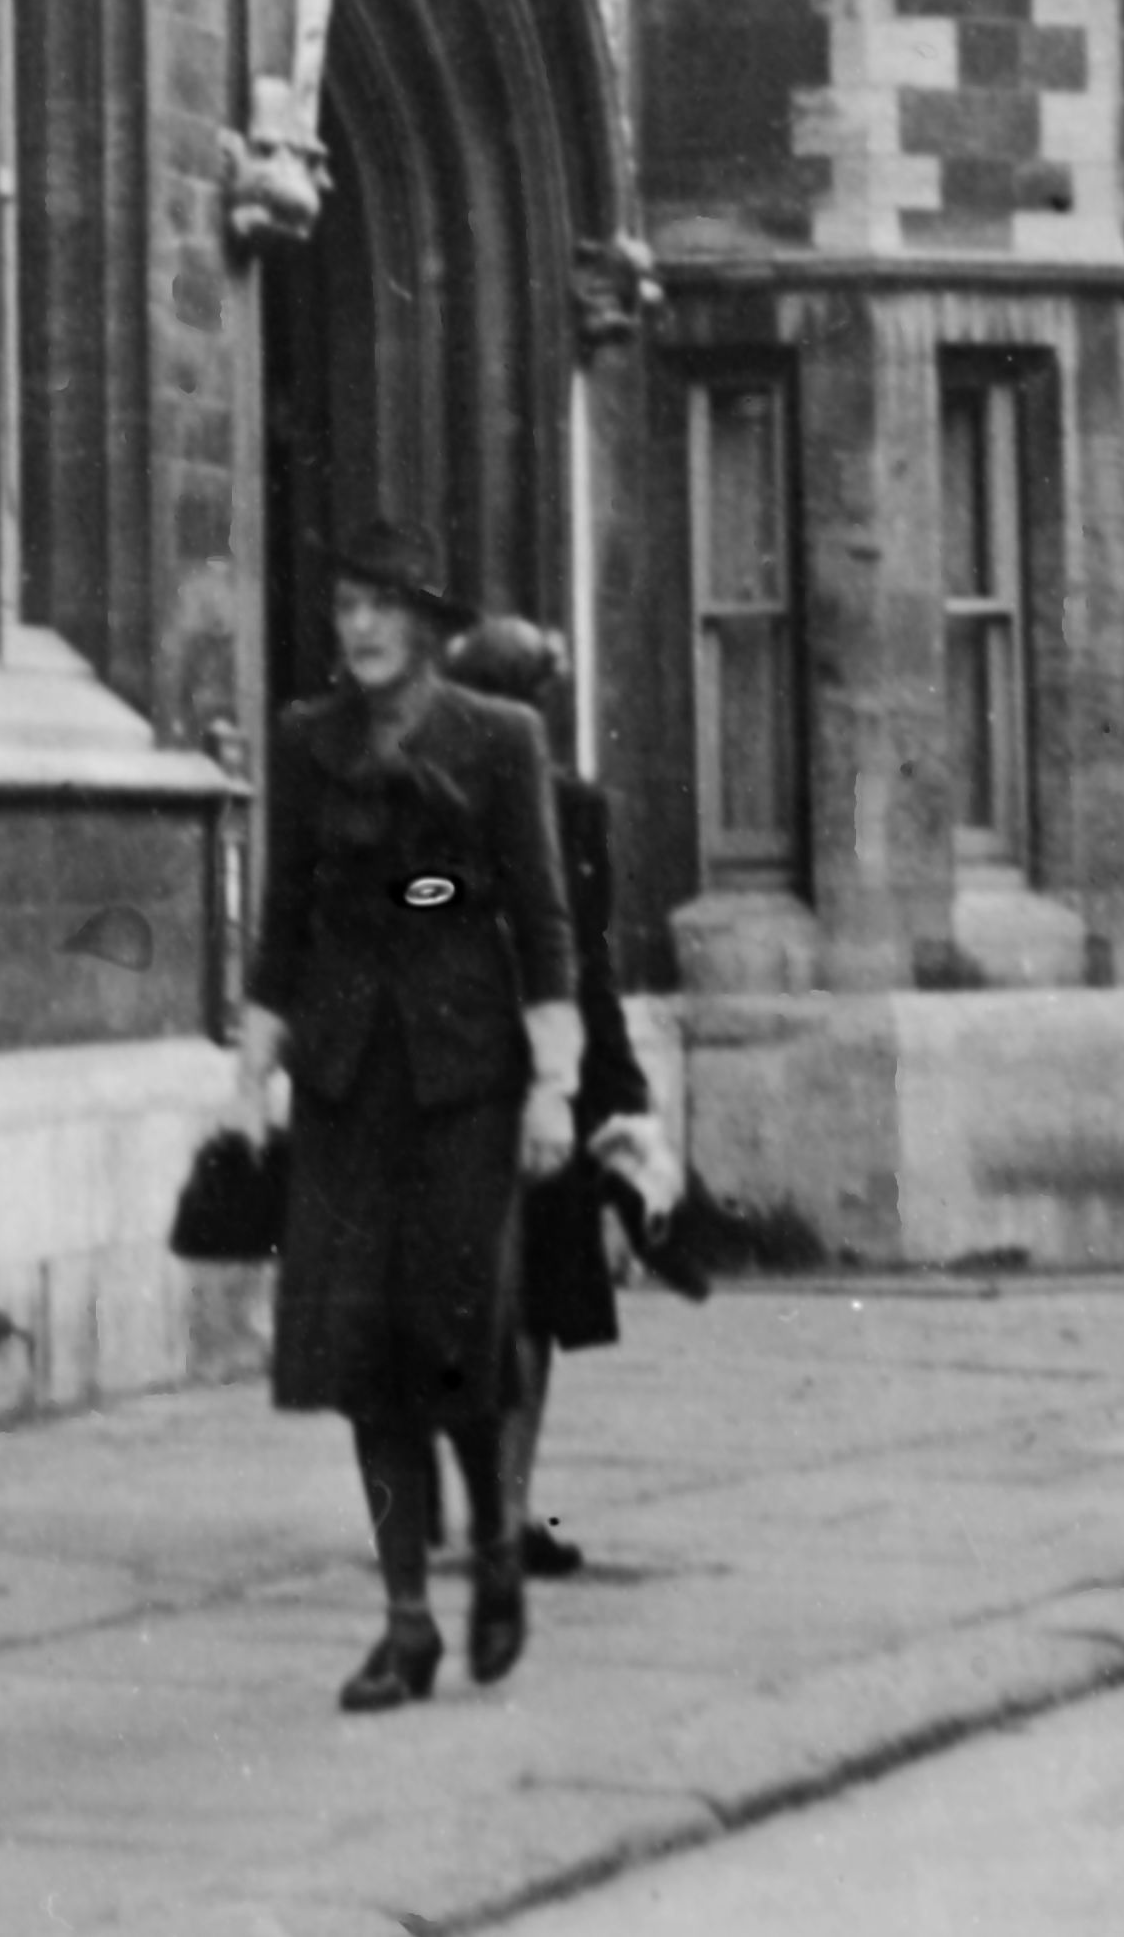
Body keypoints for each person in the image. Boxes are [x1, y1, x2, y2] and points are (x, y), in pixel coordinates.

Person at [238, 517, 581, 1709]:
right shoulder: (304, 740)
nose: (363, 627)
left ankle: (494, 1541)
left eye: (385, 605)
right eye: (346, 606)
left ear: (433, 626)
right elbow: (285, 913)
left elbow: (530, 916)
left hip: (464, 1084)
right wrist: (254, 1060)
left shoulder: (499, 740)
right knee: (361, 1363)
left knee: (455, 1348)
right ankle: (405, 1621)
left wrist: (552, 1083)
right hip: (344, 1084)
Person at [443, 611, 680, 1580]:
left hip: (552, 1090)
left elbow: (588, 965)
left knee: (532, 1303)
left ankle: (506, 1508)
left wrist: (624, 1104)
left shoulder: (574, 813)